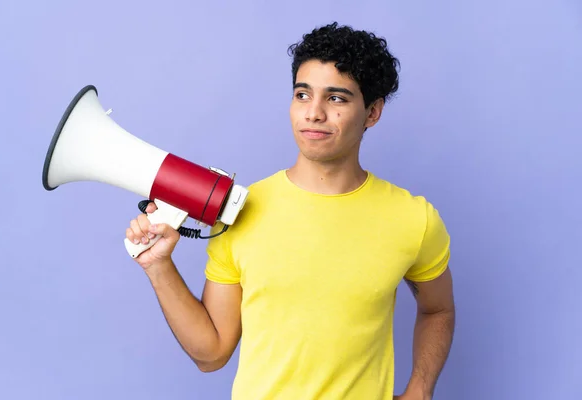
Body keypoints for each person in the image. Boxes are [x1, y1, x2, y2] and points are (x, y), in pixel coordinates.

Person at [125, 22, 455, 400]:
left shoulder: (413, 219)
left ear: (372, 112)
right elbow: (211, 354)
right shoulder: (241, 212)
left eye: (336, 98)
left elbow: (438, 310)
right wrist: (159, 266)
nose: (313, 113)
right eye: (302, 94)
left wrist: (421, 387)